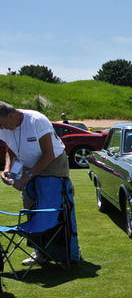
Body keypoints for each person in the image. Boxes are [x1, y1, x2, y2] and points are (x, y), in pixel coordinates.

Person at [0, 101, 80, 266]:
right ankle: (39, 253)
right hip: (28, 165)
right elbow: (10, 150)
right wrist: (8, 169)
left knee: (56, 207)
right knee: (31, 207)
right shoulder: (4, 126)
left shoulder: (36, 120)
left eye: (3, 125)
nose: (3, 129)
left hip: (53, 164)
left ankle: (69, 252)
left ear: (11, 115)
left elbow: (48, 154)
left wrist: (27, 176)